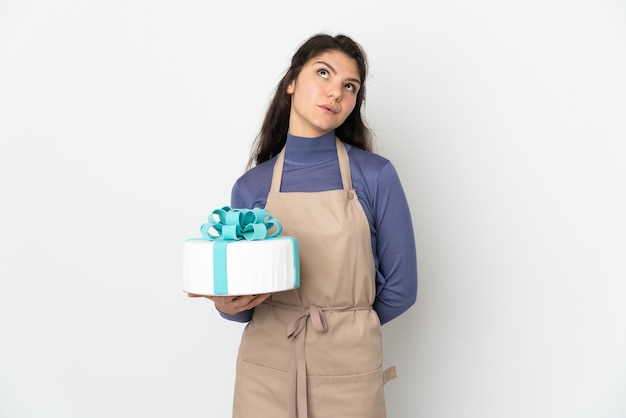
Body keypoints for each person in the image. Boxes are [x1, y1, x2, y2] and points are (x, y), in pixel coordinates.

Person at [189, 32, 418, 418]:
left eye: (350, 86)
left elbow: (401, 289)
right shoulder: (252, 186)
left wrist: (348, 327)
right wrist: (227, 305)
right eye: (324, 73)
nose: (336, 93)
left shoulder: (375, 176)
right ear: (291, 82)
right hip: (266, 369)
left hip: (349, 368)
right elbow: (242, 307)